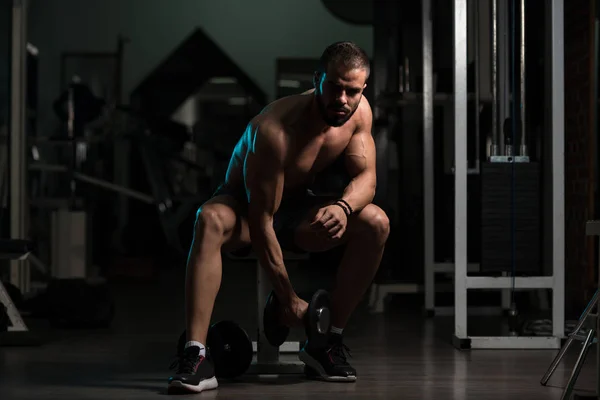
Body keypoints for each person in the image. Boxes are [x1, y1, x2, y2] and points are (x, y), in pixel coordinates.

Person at [167, 41, 390, 394]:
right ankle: (196, 355)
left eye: (352, 91)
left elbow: (367, 179)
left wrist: (343, 207)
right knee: (208, 218)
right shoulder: (274, 129)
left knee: (376, 222)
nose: (343, 99)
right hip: (245, 209)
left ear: (363, 88)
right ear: (317, 79)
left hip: (298, 209)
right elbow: (261, 220)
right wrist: (288, 298)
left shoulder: (359, 113)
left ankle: (325, 343)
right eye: (334, 87)